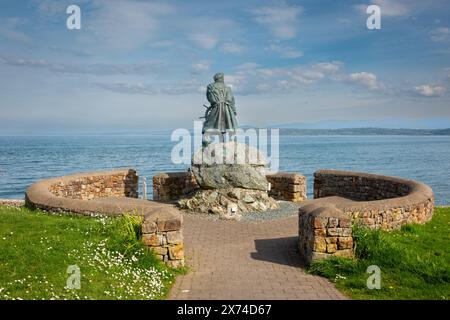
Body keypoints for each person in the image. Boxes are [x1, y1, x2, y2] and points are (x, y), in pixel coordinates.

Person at [202, 72, 238, 146]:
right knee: (230, 124)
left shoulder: (210, 87)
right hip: (227, 109)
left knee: (210, 123)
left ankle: (206, 138)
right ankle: (232, 138)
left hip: (216, 107)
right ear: (222, 79)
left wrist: (214, 103)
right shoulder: (228, 88)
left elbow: (211, 99)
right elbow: (230, 99)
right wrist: (234, 111)